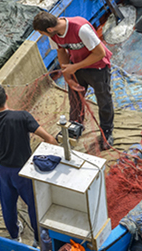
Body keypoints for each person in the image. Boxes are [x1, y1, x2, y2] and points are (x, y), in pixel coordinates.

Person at [0, 82, 56, 244]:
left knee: (8, 204)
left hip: (4, 171)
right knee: (33, 205)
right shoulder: (23, 117)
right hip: (24, 171)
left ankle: (15, 235)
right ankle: (39, 239)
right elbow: (48, 138)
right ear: (6, 97)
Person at [32, 11, 115, 149]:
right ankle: (76, 126)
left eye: (42, 33)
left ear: (49, 29)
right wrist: (68, 77)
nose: (43, 36)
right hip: (77, 67)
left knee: (104, 100)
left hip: (98, 67)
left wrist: (74, 67)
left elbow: (100, 53)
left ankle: (107, 132)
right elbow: (61, 52)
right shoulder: (54, 35)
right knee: (75, 98)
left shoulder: (80, 29)